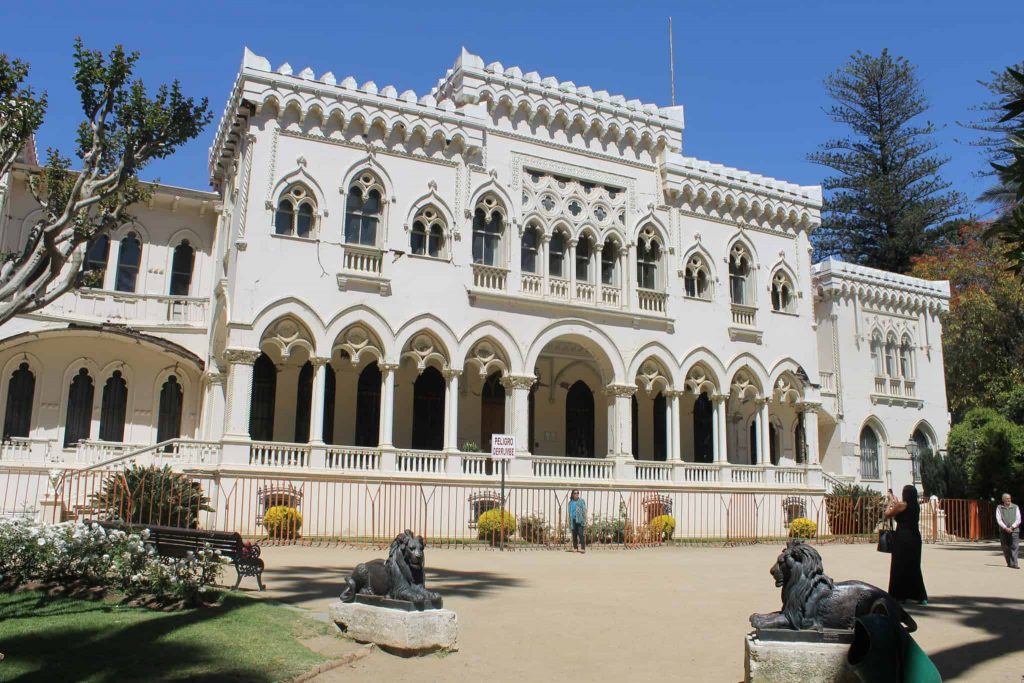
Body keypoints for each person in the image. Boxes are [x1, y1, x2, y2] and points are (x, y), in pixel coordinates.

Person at [884, 484, 928, 605]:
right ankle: (920, 595)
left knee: (899, 565)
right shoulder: (916, 506)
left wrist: (890, 502)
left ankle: (899, 595)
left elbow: (887, 514)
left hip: (902, 537)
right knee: (914, 565)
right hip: (915, 537)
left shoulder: (901, 505)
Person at [996, 492, 1020, 569]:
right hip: (1003, 530)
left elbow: (1018, 519)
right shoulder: (999, 507)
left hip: (1015, 530)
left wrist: (1012, 527)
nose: (1009, 500)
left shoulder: (1015, 507)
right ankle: (1009, 562)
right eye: (1007, 498)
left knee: (1014, 546)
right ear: (1003, 500)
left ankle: (1014, 564)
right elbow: (999, 520)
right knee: (1005, 547)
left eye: (1009, 498)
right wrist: (1005, 528)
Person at [568, 490, 587, 554]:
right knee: (574, 534)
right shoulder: (570, 502)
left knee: (581, 534)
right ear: (572, 494)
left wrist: (585, 519)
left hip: (579, 519)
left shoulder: (581, 501)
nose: (576, 494)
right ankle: (575, 548)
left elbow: (584, 510)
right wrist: (568, 520)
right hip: (572, 519)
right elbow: (569, 512)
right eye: (575, 493)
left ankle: (583, 548)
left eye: (577, 493)